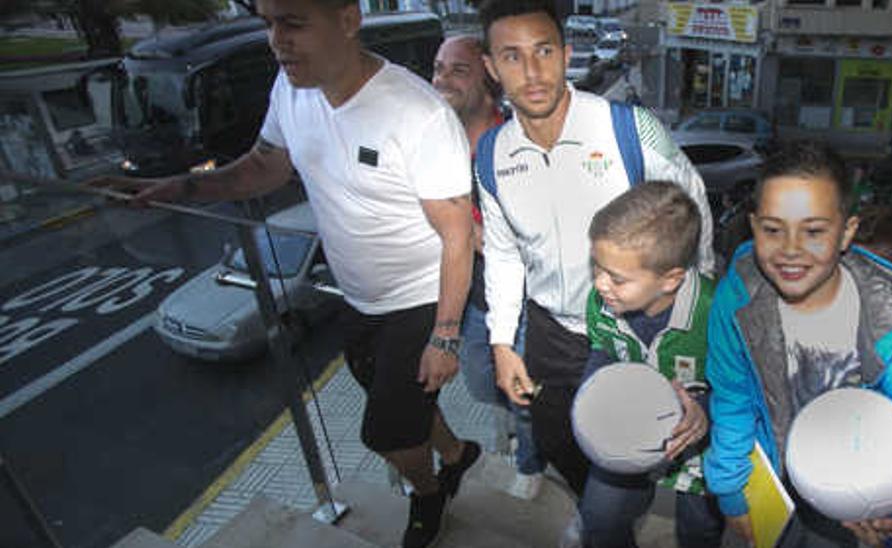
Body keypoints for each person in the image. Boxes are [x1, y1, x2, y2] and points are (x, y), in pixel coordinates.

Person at [91, 1, 479, 546]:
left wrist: (445, 335)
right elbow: (262, 167)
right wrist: (176, 189)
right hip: (357, 296)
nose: (277, 40)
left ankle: (430, 493)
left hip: (418, 298)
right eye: (268, 23)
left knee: (386, 431)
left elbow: (458, 234)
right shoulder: (290, 90)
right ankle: (460, 455)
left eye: (293, 23)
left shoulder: (417, 114)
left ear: (348, 20)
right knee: (399, 397)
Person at [474, 0, 715, 503]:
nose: (533, 71)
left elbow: (693, 207)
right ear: (491, 68)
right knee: (557, 435)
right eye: (512, 57)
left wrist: (689, 314)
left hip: (636, 323)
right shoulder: (491, 154)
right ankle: (595, 512)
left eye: (543, 51)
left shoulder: (628, 128)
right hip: (550, 331)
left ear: (566, 54)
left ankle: (617, 509)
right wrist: (501, 342)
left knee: (645, 436)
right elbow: (501, 252)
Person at [703, 141, 892, 547]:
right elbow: (732, 397)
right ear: (754, 225)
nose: (791, 249)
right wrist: (729, 488)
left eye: (813, 230)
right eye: (773, 229)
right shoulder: (737, 300)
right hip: (769, 485)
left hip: (855, 504)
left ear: (846, 231)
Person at [432, 34, 547, 500]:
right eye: (438, 68)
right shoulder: (434, 145)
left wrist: (475, 233)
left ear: (488, 78)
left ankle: (532, 460)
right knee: (482, 384)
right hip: (470, 299)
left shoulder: (517, 144)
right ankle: (523, 427)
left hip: (519, 301)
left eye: (457, 70)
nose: (441, 80)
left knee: (521, 393)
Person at [578, 181, 724, 548]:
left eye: (616, 278)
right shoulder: (603, 304)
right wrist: (592, 386)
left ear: (670, 280)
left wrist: (704, 412)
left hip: (703, 448)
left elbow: (739, 389)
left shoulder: (717, 314)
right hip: (628, 434)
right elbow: (603, 348)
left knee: (700, 529)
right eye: (597, 267)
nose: (599, 285)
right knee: (599, 518)